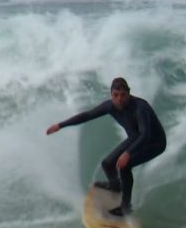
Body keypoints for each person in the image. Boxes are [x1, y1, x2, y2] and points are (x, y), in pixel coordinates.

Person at [46, 77, 166, 216]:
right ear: (111, 94)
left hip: (154, 142)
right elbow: (87, 115)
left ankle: (126, 207)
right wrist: (60, 125)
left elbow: (145, 134)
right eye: (116, 95)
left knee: (125, 166)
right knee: (108, 164)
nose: (119, 99)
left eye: (123, 95)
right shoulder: (110, 106)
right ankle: (116, 187)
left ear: (129, 93)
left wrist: (127, 153)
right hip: (135, 138)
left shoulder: (140, 108)